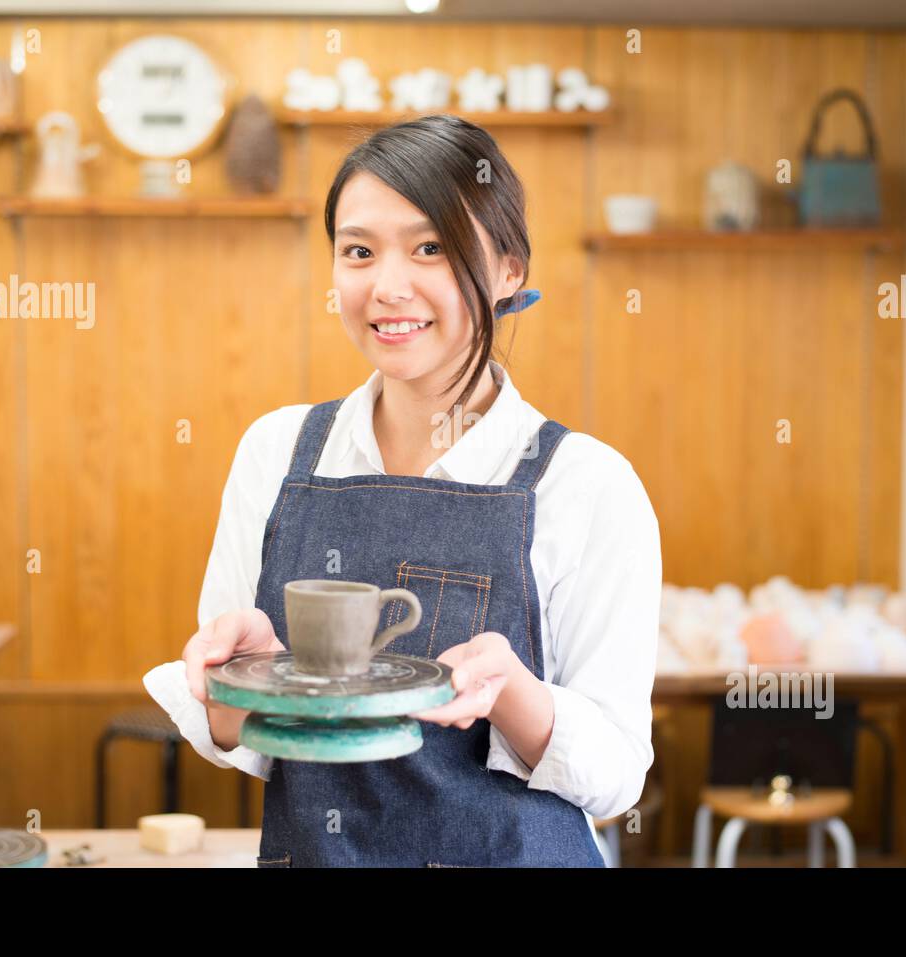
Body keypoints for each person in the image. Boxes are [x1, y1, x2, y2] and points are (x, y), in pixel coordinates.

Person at [144, 114, 661, 867]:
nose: (388, 287)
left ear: (509, 267)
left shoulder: (587, 485)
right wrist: (237, 683)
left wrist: (512, 692)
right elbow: (237, 741)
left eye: (431, 247)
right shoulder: (278, 453)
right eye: (358, 251)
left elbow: (617, 776)